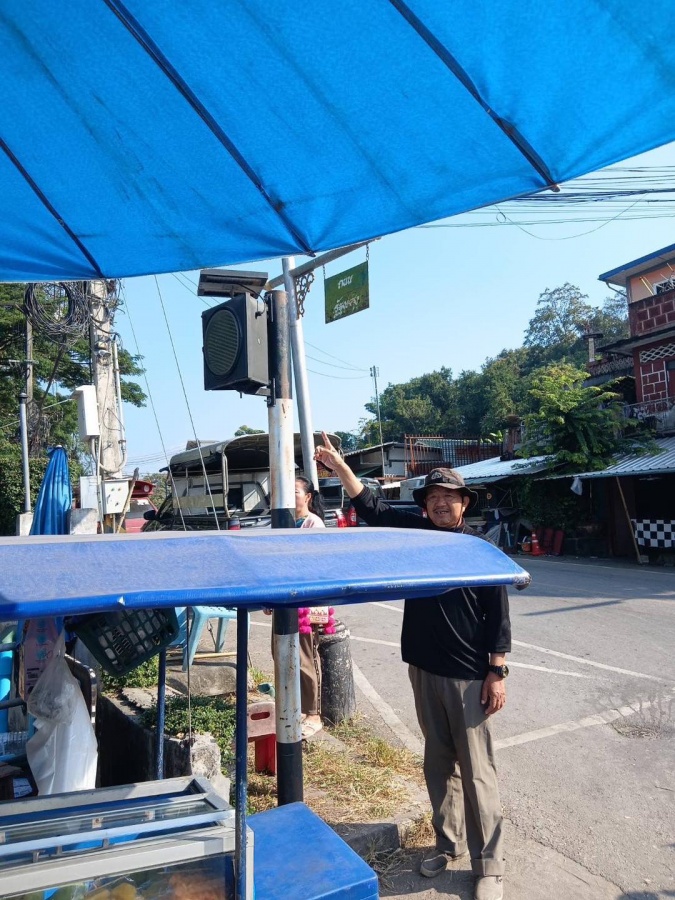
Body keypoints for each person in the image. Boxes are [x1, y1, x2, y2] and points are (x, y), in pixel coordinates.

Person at [314, 433, 510, 900]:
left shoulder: (479, 549)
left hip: (468, 675)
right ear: (425, 505)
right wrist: (340, 467)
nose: (441, 503)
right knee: (438, 764)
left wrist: (496, 672)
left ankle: (490, 866)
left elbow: (499, 616)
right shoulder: (415, 535)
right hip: (423, 669)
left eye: (450, 497)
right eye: (433, 497)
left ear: (464, 503)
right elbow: (373, 508)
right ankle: (448, 844)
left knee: (477, 770)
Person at [267, 477, 326, 738]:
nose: (289, 498)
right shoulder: (282, 522)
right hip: (283, 599)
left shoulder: (313, 524)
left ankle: (313, 713)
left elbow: (314, 564)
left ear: (308, 497)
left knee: (303, 657)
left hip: (304, 601)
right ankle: (295, 706)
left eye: (295, 492)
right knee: (280, 652)